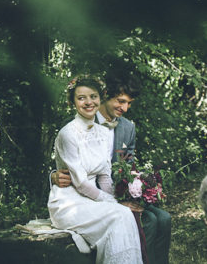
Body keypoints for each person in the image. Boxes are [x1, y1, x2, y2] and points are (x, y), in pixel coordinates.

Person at [53, 70, 171, 264]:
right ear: (106, 96)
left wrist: (144, 188)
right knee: (148, 222)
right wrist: (53, 176)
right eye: (120, 101)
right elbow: (64, 166)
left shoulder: (127, 128)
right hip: (90, 197)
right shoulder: (77, 125)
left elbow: (128, 166)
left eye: (129, 103)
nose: (125, 108)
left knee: (164, 219)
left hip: (118, 192)